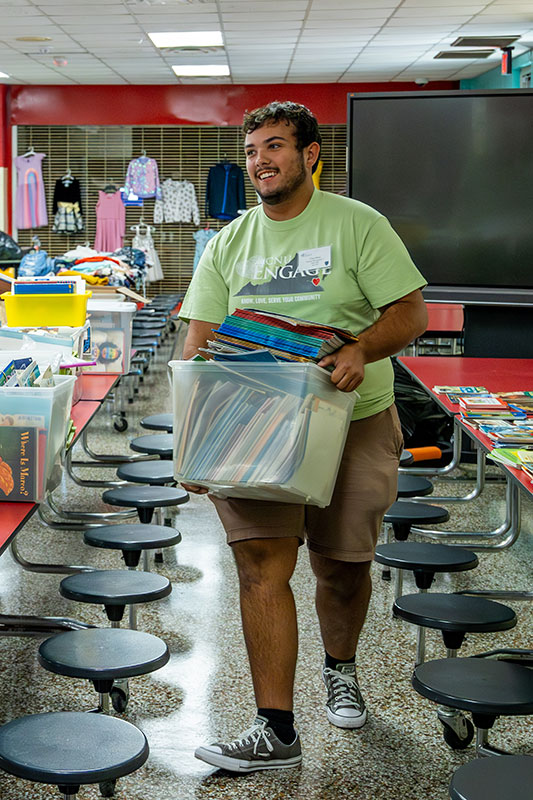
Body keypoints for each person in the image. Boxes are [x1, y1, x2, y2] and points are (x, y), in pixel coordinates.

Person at [179, 100, 427, 773]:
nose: (260, 160)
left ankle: (340, 668)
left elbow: (409, 312)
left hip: (351, 421)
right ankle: (274, 727)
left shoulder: (356, 225)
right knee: (261, 566)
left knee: (341, 567)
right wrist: (192, 436)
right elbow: (197, 337)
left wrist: (360, 351)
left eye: (276, 146)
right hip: (248, 424)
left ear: (310, 154)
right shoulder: (229, 242)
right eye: (253, 148)